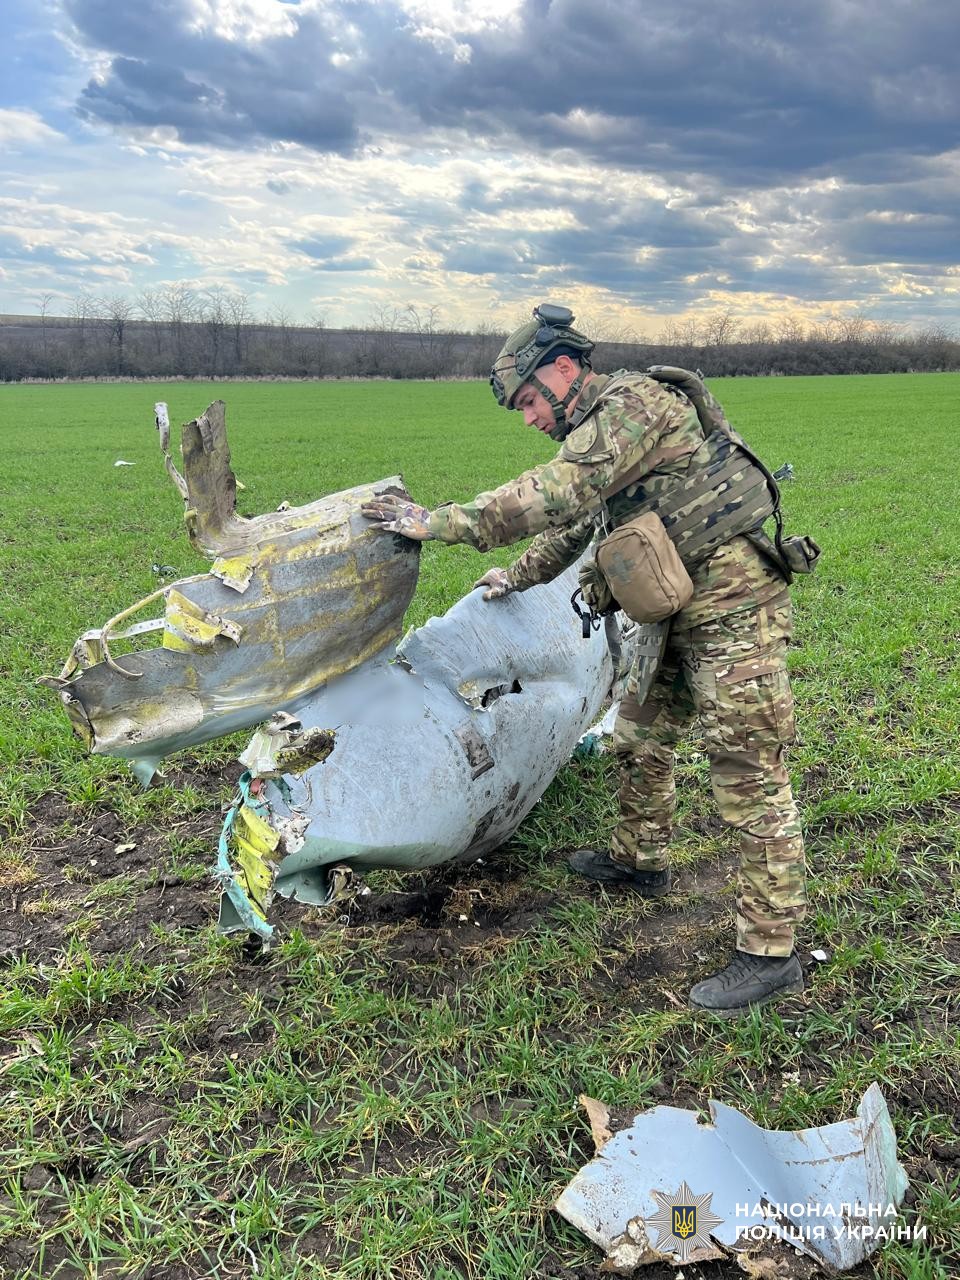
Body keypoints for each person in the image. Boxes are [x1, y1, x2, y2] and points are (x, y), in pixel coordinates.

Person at [360, 303, 807, 1016]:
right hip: (674, 601)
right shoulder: (604, 432)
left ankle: (770, 951)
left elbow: (554, 494)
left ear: (565, 369)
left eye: (531, 399)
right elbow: (581, 524)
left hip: (732, 597)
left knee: (748, 769)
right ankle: (639, 863)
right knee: (637, 735)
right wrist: (517, 577)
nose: (531, 417)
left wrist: (435, 521)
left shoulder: (632, 406)